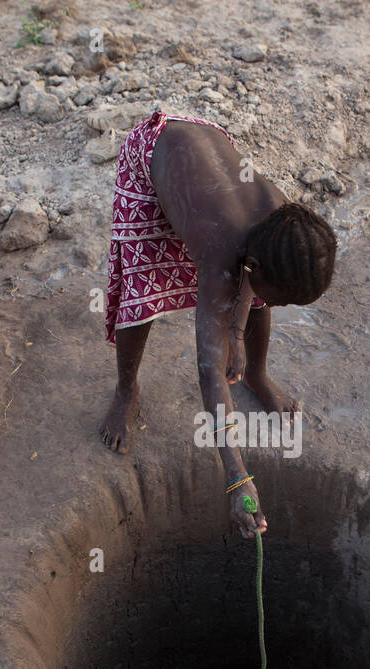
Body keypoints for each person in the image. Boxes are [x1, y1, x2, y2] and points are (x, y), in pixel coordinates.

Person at [98, 110, 337, 539]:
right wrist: (236, 475)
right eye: (280, 297)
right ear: (252, 263)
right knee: (142, 291)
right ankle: (125, 389)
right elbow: (210, 372)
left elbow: (252, 275)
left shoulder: (282, 223)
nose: (277, 305)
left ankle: (258, 375)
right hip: (154, 157)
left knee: (257, 296)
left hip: (206, 154)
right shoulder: (220, 247)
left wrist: (239, 330)